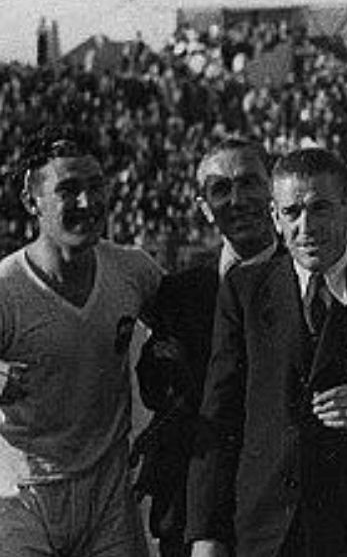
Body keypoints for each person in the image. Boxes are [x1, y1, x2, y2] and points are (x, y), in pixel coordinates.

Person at [186, 147, 347, 557]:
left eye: (320, 208)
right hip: (264, 528)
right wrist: (207, 534)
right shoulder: (244, 291)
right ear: (275, 217)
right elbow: (219, 415)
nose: (306, 227)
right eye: (292, 212)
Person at [0, 128, 162, 556]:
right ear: (31, 200)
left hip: (107, 495)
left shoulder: (133, 271)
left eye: (96, 187)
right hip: (22, 497)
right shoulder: (7, 290)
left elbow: (198, 336)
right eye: (69, 190)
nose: (88, 204)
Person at [134, 137, 280, 557]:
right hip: (188, 514)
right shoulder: (178, 295)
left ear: (273, 190)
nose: (238, 199)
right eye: (220, 189)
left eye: (250, 183)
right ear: (203, 206)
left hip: (281, 517)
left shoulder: (313, 282)